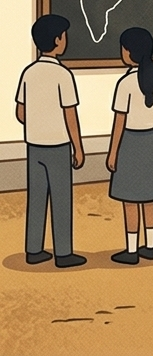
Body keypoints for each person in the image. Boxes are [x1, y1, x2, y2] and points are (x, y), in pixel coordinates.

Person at [16, 14, 86, 268]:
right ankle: (63, 254)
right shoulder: (62, 74)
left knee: (36, 198)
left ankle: (34, 250)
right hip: (58, 146)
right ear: (58, 40)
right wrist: (78, 147)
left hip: (34, 146)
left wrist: (38, 122)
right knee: (61, 198)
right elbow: (70, 114)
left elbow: (20, 112)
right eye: (64, 36)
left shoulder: (29, 73)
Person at [106, 27, 153, 264]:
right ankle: (150, 246)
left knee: (130, 199)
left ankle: (131, 250)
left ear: (129, 52)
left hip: (130, 143)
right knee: (150, 198)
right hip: (150, 142)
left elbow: (119, 121)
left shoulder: (125, 84)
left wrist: (113, 152)